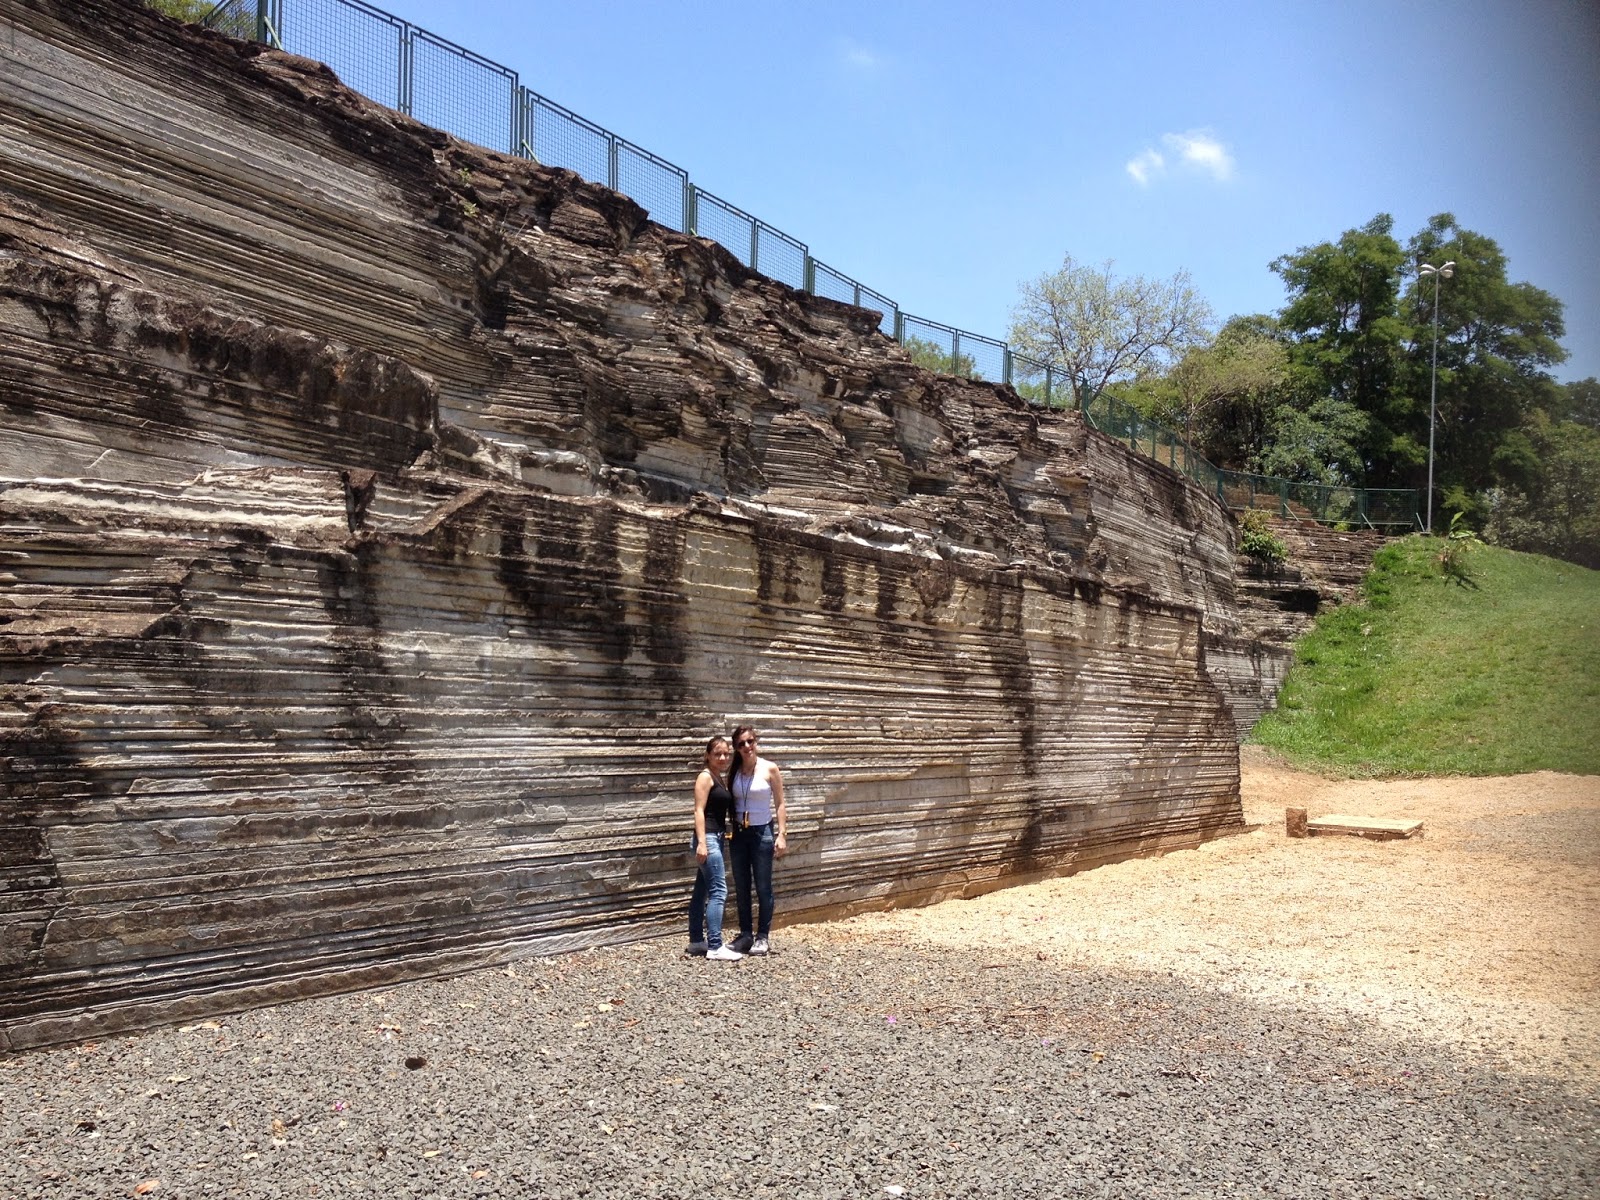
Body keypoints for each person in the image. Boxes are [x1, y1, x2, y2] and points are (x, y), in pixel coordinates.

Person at [726, 724, 787, 956]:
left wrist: (782, 834)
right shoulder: (734, 770)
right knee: (741, 886)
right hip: (739, 833)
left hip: (762, 832)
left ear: (756, 741)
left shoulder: (769, 768)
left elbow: (780, 803)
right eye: (741, 743)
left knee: (763, 886)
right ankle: (745, 935)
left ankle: (762, 936)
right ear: (736, 747)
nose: (747, 746)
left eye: (750, 741)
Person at [687, 735, 742, 962]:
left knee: (701, 891)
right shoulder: (705, 777)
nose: (722, 757)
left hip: (715, 837)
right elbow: (698, 811)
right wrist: (702, 842)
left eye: (726, 754)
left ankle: (696, 941)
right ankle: (716, 946)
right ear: (707, 755)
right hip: (707, 839)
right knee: (719, 891)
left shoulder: (718, 777)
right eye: (717, 753)